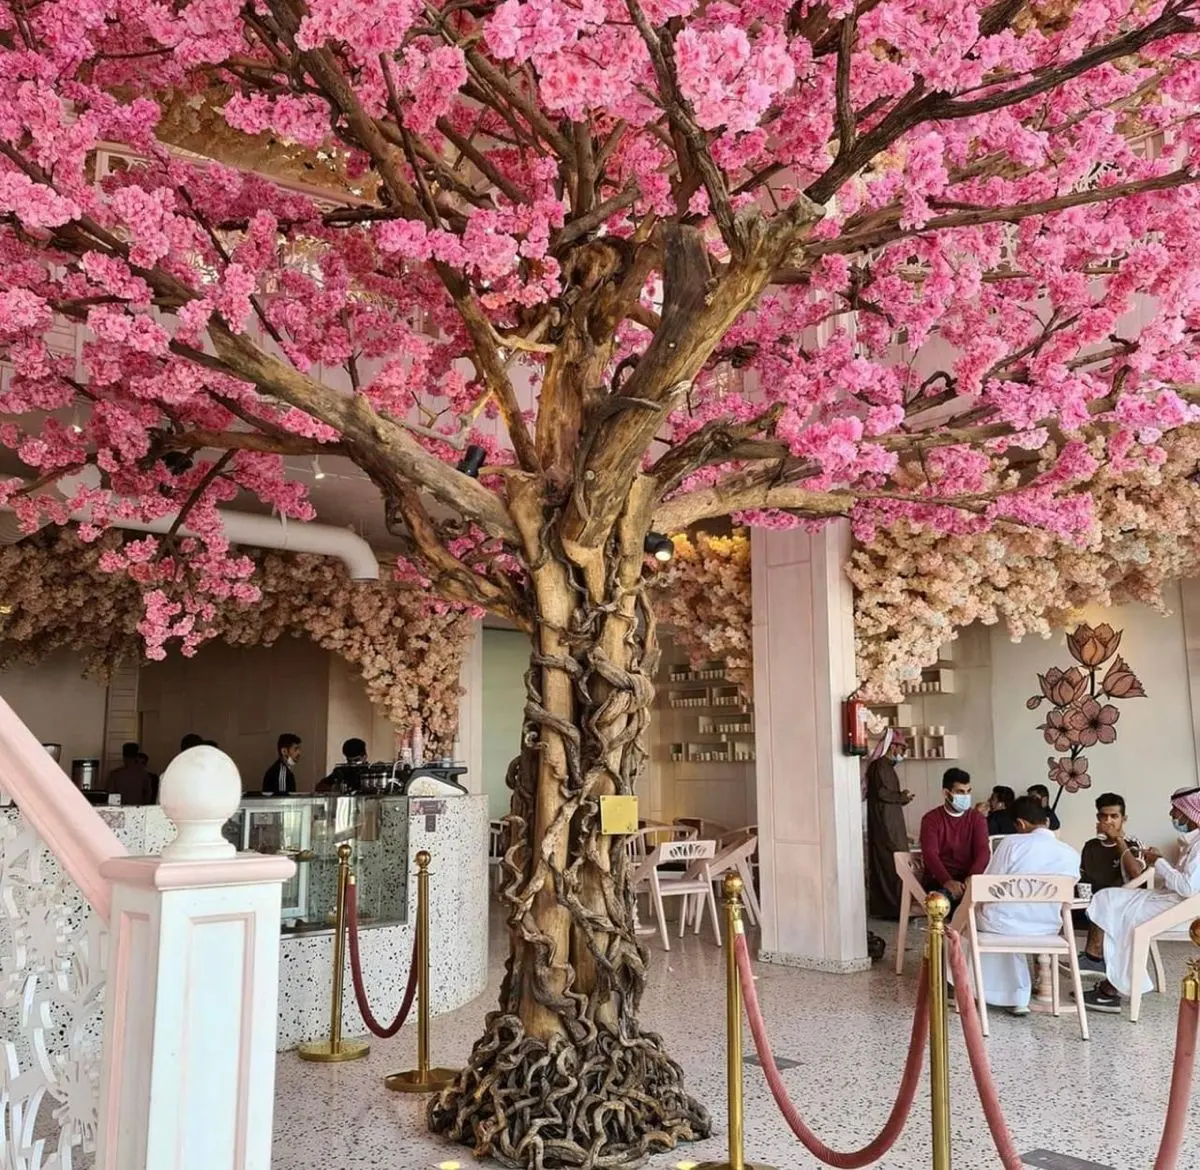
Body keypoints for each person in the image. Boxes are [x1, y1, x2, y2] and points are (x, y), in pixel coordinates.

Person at [961, 796, 1082, 1016]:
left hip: (1001, 925)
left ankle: (982, 991)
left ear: (1020, 824)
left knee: (966, 921)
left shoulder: (1011, 844)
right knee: (996, 917)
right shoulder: (1071, 853)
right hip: (1048, 928)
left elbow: (988, 885)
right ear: (1045, 821)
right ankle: (1015, 995)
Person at [1084, 787, 1200, 1012]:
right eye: (1103, 816)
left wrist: (1159, 862)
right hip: (1172, 901)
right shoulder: (1091, 846)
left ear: (1189, 813)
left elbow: (1187, 887)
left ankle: (1103, 973)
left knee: (1124, 915)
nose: (1172, 816)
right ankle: (1100, 967)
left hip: (1181, 909)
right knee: (1108, 898)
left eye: (1175, 810)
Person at [1072, 793, 1146, 974]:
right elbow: (1083, 879)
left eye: (1114, 816)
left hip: (1123, 906)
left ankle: (1094, 957)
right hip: (1090, 905)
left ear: (1124, 819)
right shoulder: (1090, 846)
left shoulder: (1132, 845)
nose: (1109, 821)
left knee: (1105, 900)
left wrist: (1118, 840)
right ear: (1098, 818)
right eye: (1104, 816)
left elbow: (1137, 875)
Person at [918, 768, 989, 907]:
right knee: (945, 904)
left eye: (968, 791)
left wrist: (972, 877)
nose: (966, 796)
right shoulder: (931, 819)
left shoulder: (977, 819)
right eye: (960, 792)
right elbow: (930, 854)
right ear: (946, 793)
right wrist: (947, 881)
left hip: (969, 879)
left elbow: (983, 851)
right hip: (939, 881)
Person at [864, 729, 914, 919]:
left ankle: (898, 908)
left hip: (891, 822)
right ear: (892, 746)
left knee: (896, 863)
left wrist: (903, 798)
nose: (903, 752)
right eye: (902, 748)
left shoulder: (887, 767)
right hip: (885, 826)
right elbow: (883, 794)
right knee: (892, 864)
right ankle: (893, 909)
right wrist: (902, 797)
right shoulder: (879, 767)